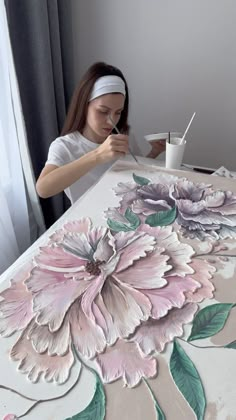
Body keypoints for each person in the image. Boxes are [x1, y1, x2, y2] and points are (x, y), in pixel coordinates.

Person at [36, 62, 166, 204]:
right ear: (84, 105)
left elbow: (136, 172)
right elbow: (43, 189)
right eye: (103, 111)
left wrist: (154, 153)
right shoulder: (66, 145)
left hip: (125, 210)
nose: (112, 121)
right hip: (88, 218)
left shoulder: (123, 135)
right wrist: (97, 155)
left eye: (118, 112)